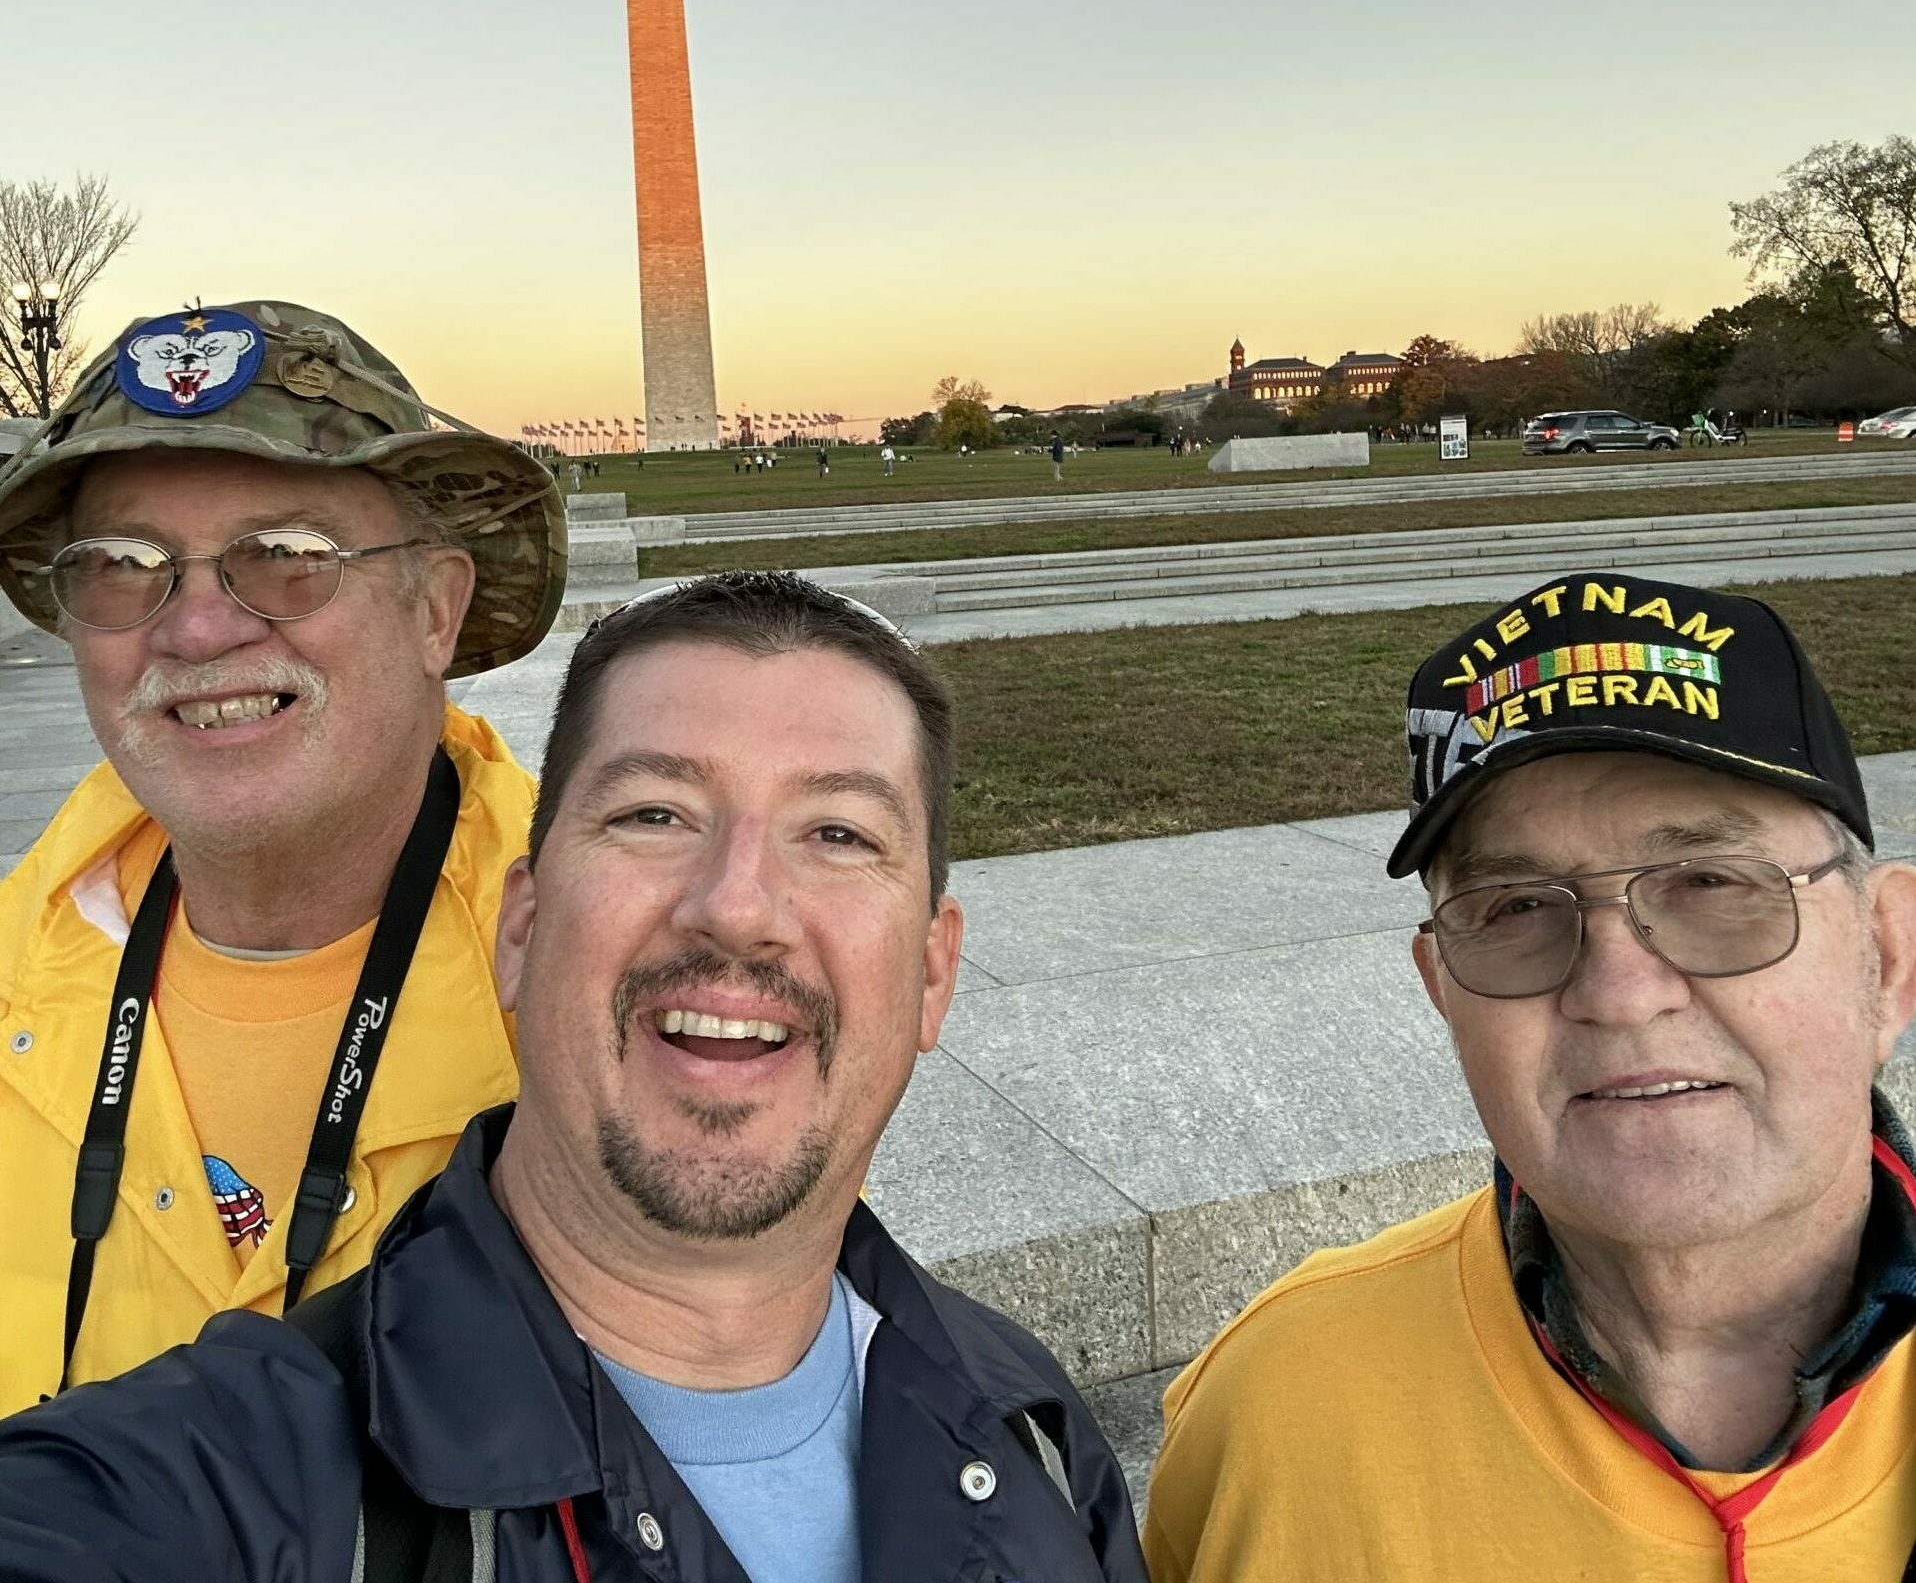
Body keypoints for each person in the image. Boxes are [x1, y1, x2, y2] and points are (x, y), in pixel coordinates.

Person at [0, 572, 1148, 1583]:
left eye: (839, 834)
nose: (738, 907)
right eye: (654, 814)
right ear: (521, 930)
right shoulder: (209, 1483)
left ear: (933, 976)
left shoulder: (1030, 1428)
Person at [1145, 572, 1916, 1581]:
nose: (1619, 991)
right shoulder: (1272, 1414)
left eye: (1711, 884)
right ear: (1441, 992)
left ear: (1885, 956)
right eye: (1514, 908)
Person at [0, 299, 565, 1416]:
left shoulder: (618, 988)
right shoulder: (16, 959)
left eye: (288, 556)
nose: (197, 629)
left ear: (434, 613)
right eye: (121, 563)